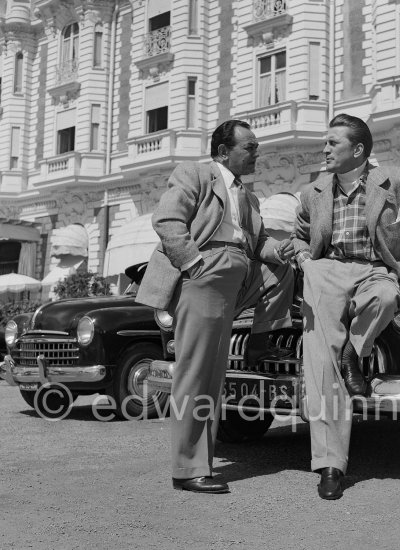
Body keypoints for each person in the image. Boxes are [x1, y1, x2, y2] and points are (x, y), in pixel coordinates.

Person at [292, 114, 400, 500]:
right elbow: (300, 236)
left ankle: (357, 350)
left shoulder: (398, 181)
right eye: (325, 143)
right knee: (322, 365)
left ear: (357, 150)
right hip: (326, 271)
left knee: (388, 297)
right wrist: (304, 258)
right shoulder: (314, 191)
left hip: (377, 269)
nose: (324, 149)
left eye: (333, 143)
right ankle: (330, 465)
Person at [136, 120, 295, 494]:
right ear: (224, 151)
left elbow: (257, 245)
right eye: (250, 146)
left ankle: (259, 340)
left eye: (256, 146)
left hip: (238, 272)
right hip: (206, 273)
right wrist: (192, 262)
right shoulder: (196, 173)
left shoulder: (248, 197)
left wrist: (282, 250)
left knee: (282, 270)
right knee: (200, 374)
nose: (257, 152)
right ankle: (188, 469)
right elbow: (167, 220)